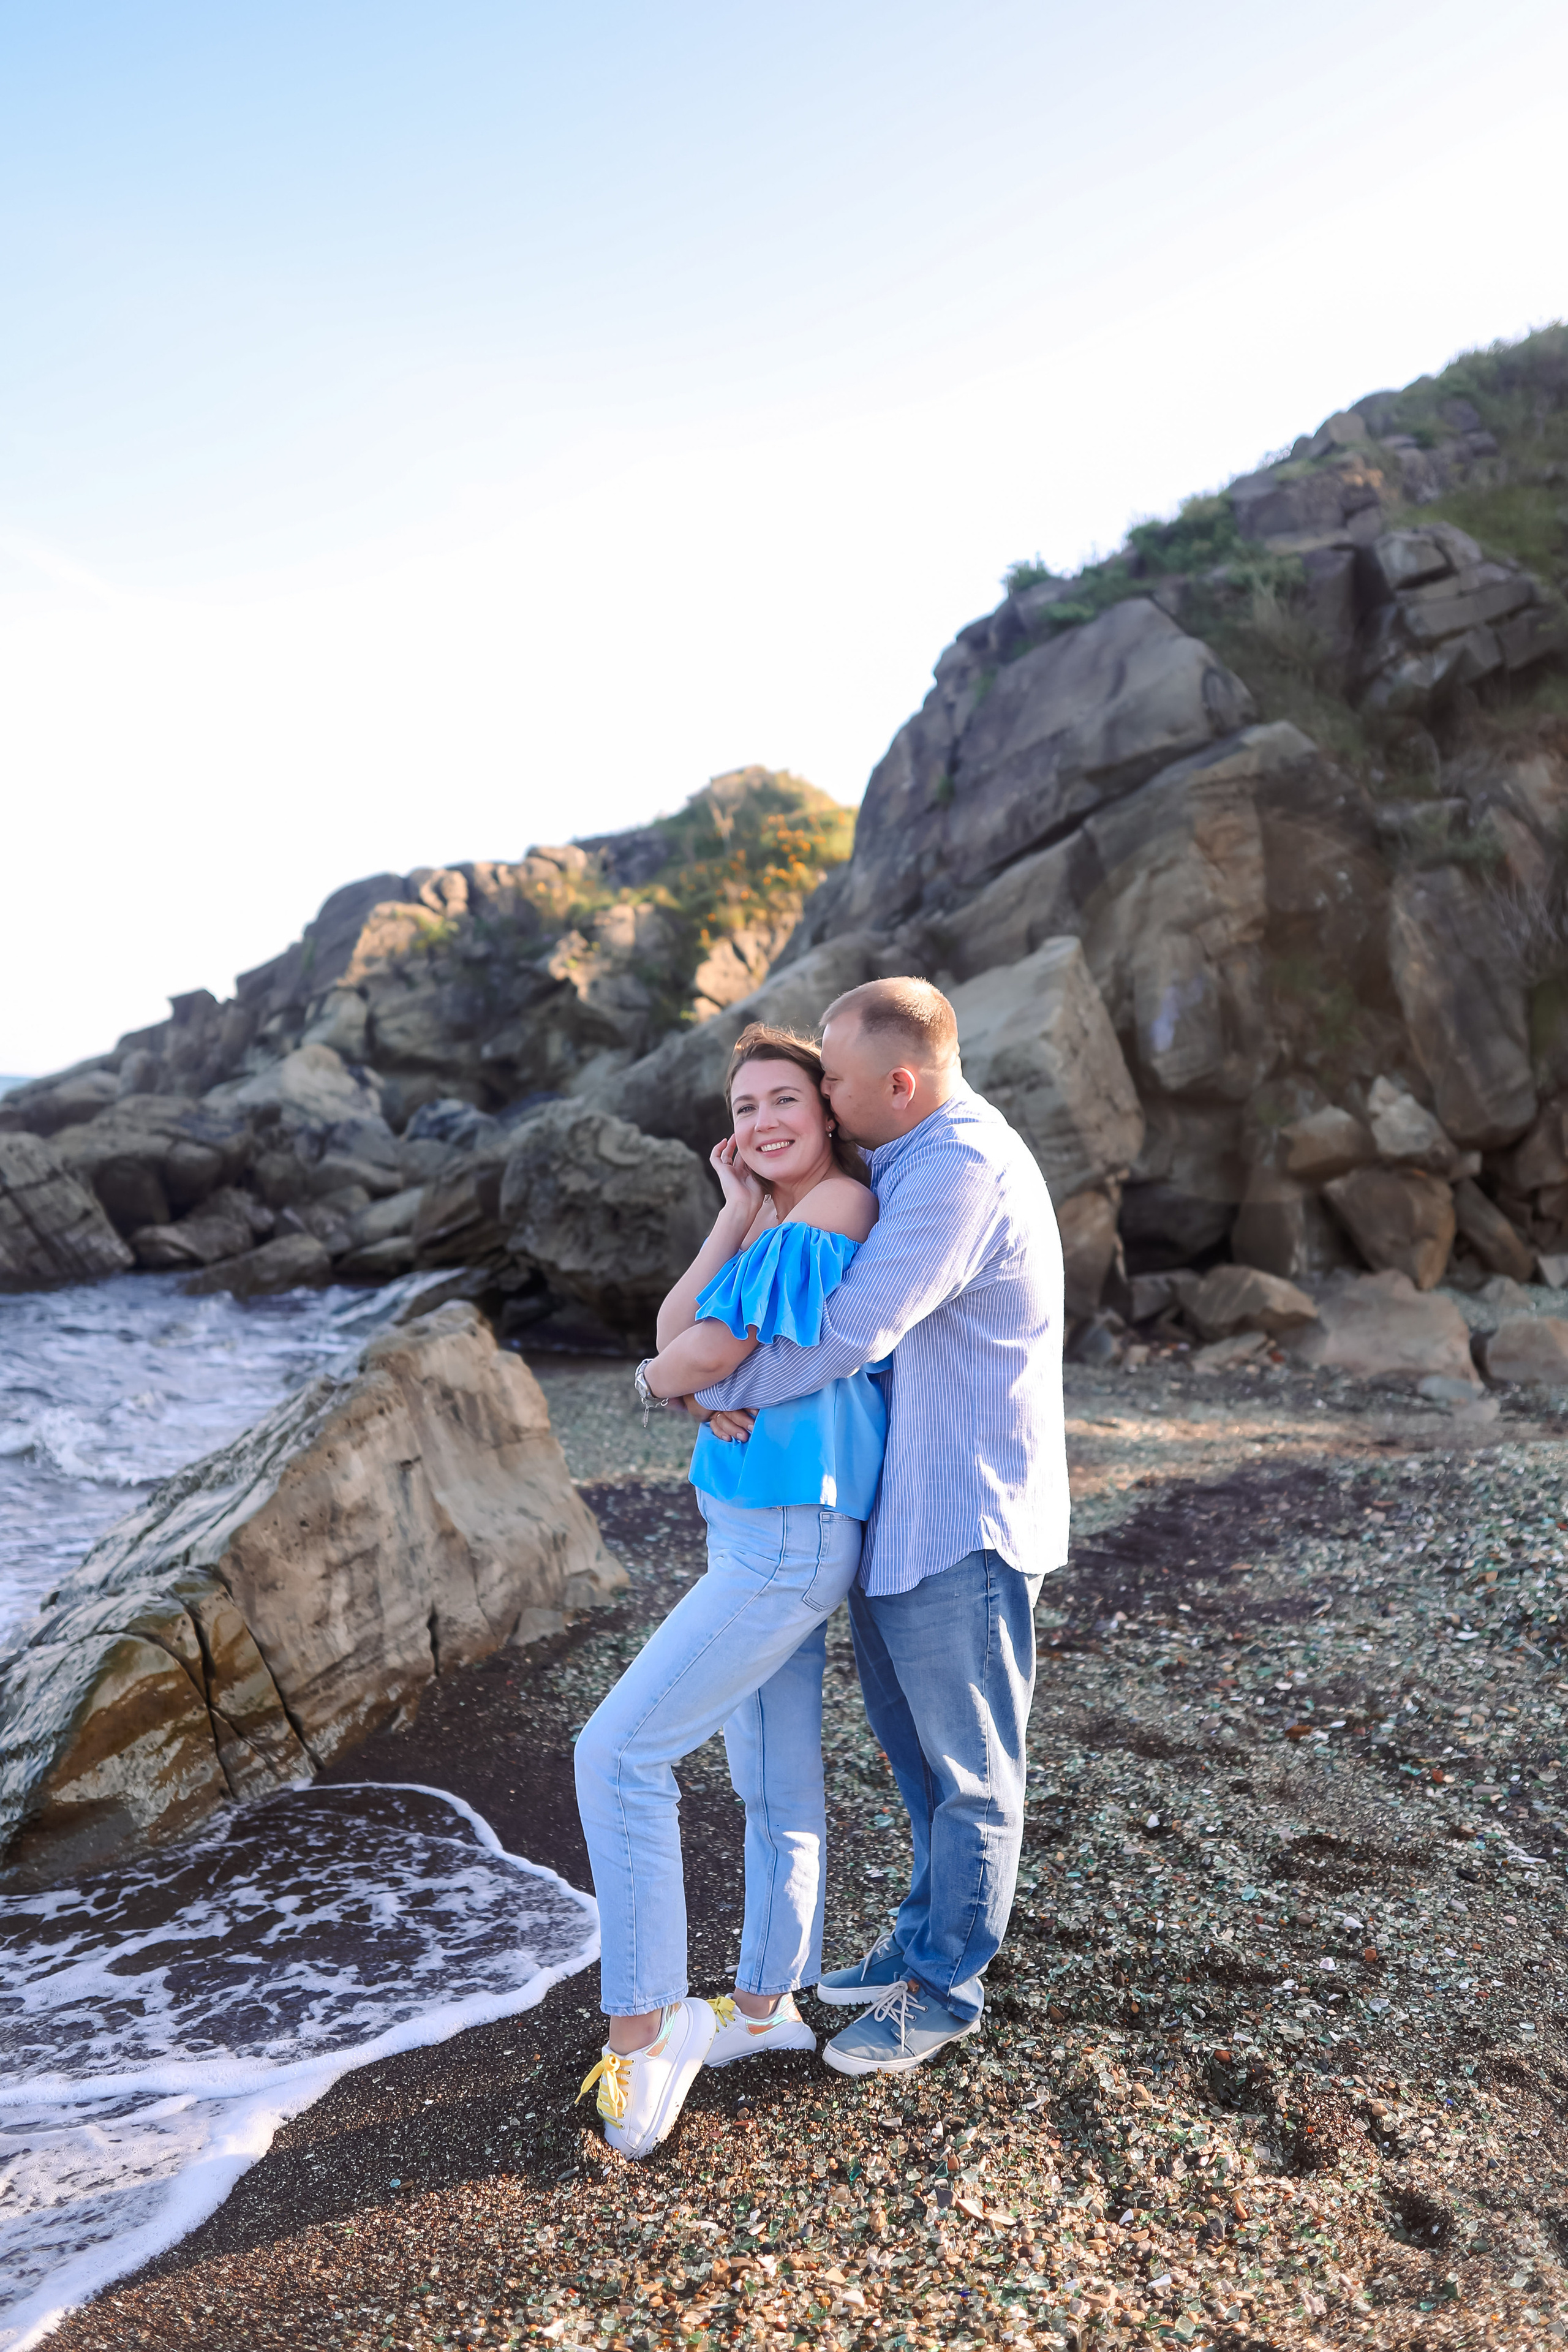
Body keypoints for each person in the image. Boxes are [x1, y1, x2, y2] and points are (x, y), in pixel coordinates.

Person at [688, 976, 1066, 2078]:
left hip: (965, 1517)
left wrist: (704, 1386)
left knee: (971, 1773)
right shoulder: (900, 1155)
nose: (825, 1100)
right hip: (907, 1516)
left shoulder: (958, 1168)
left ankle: (945, 1987)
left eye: (836, 1084)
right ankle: (915, 1944)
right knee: (916, 1764)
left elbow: (854, 1329)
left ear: (901, 1083)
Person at [574, 1023, 889, 2158]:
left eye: (782, 1101)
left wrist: (670, 1386)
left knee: (618, 1755)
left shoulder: (838, 1210)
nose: (760, 1122)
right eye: (743, 1107)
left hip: (788, 1538)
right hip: (757, 1528)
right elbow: (684, 1328)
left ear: (829, 1108)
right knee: (773, 1781)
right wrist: (730, 1209)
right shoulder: (773, 1215)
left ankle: (648, 2029)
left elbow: (692, 1355)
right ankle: (761, 2011)